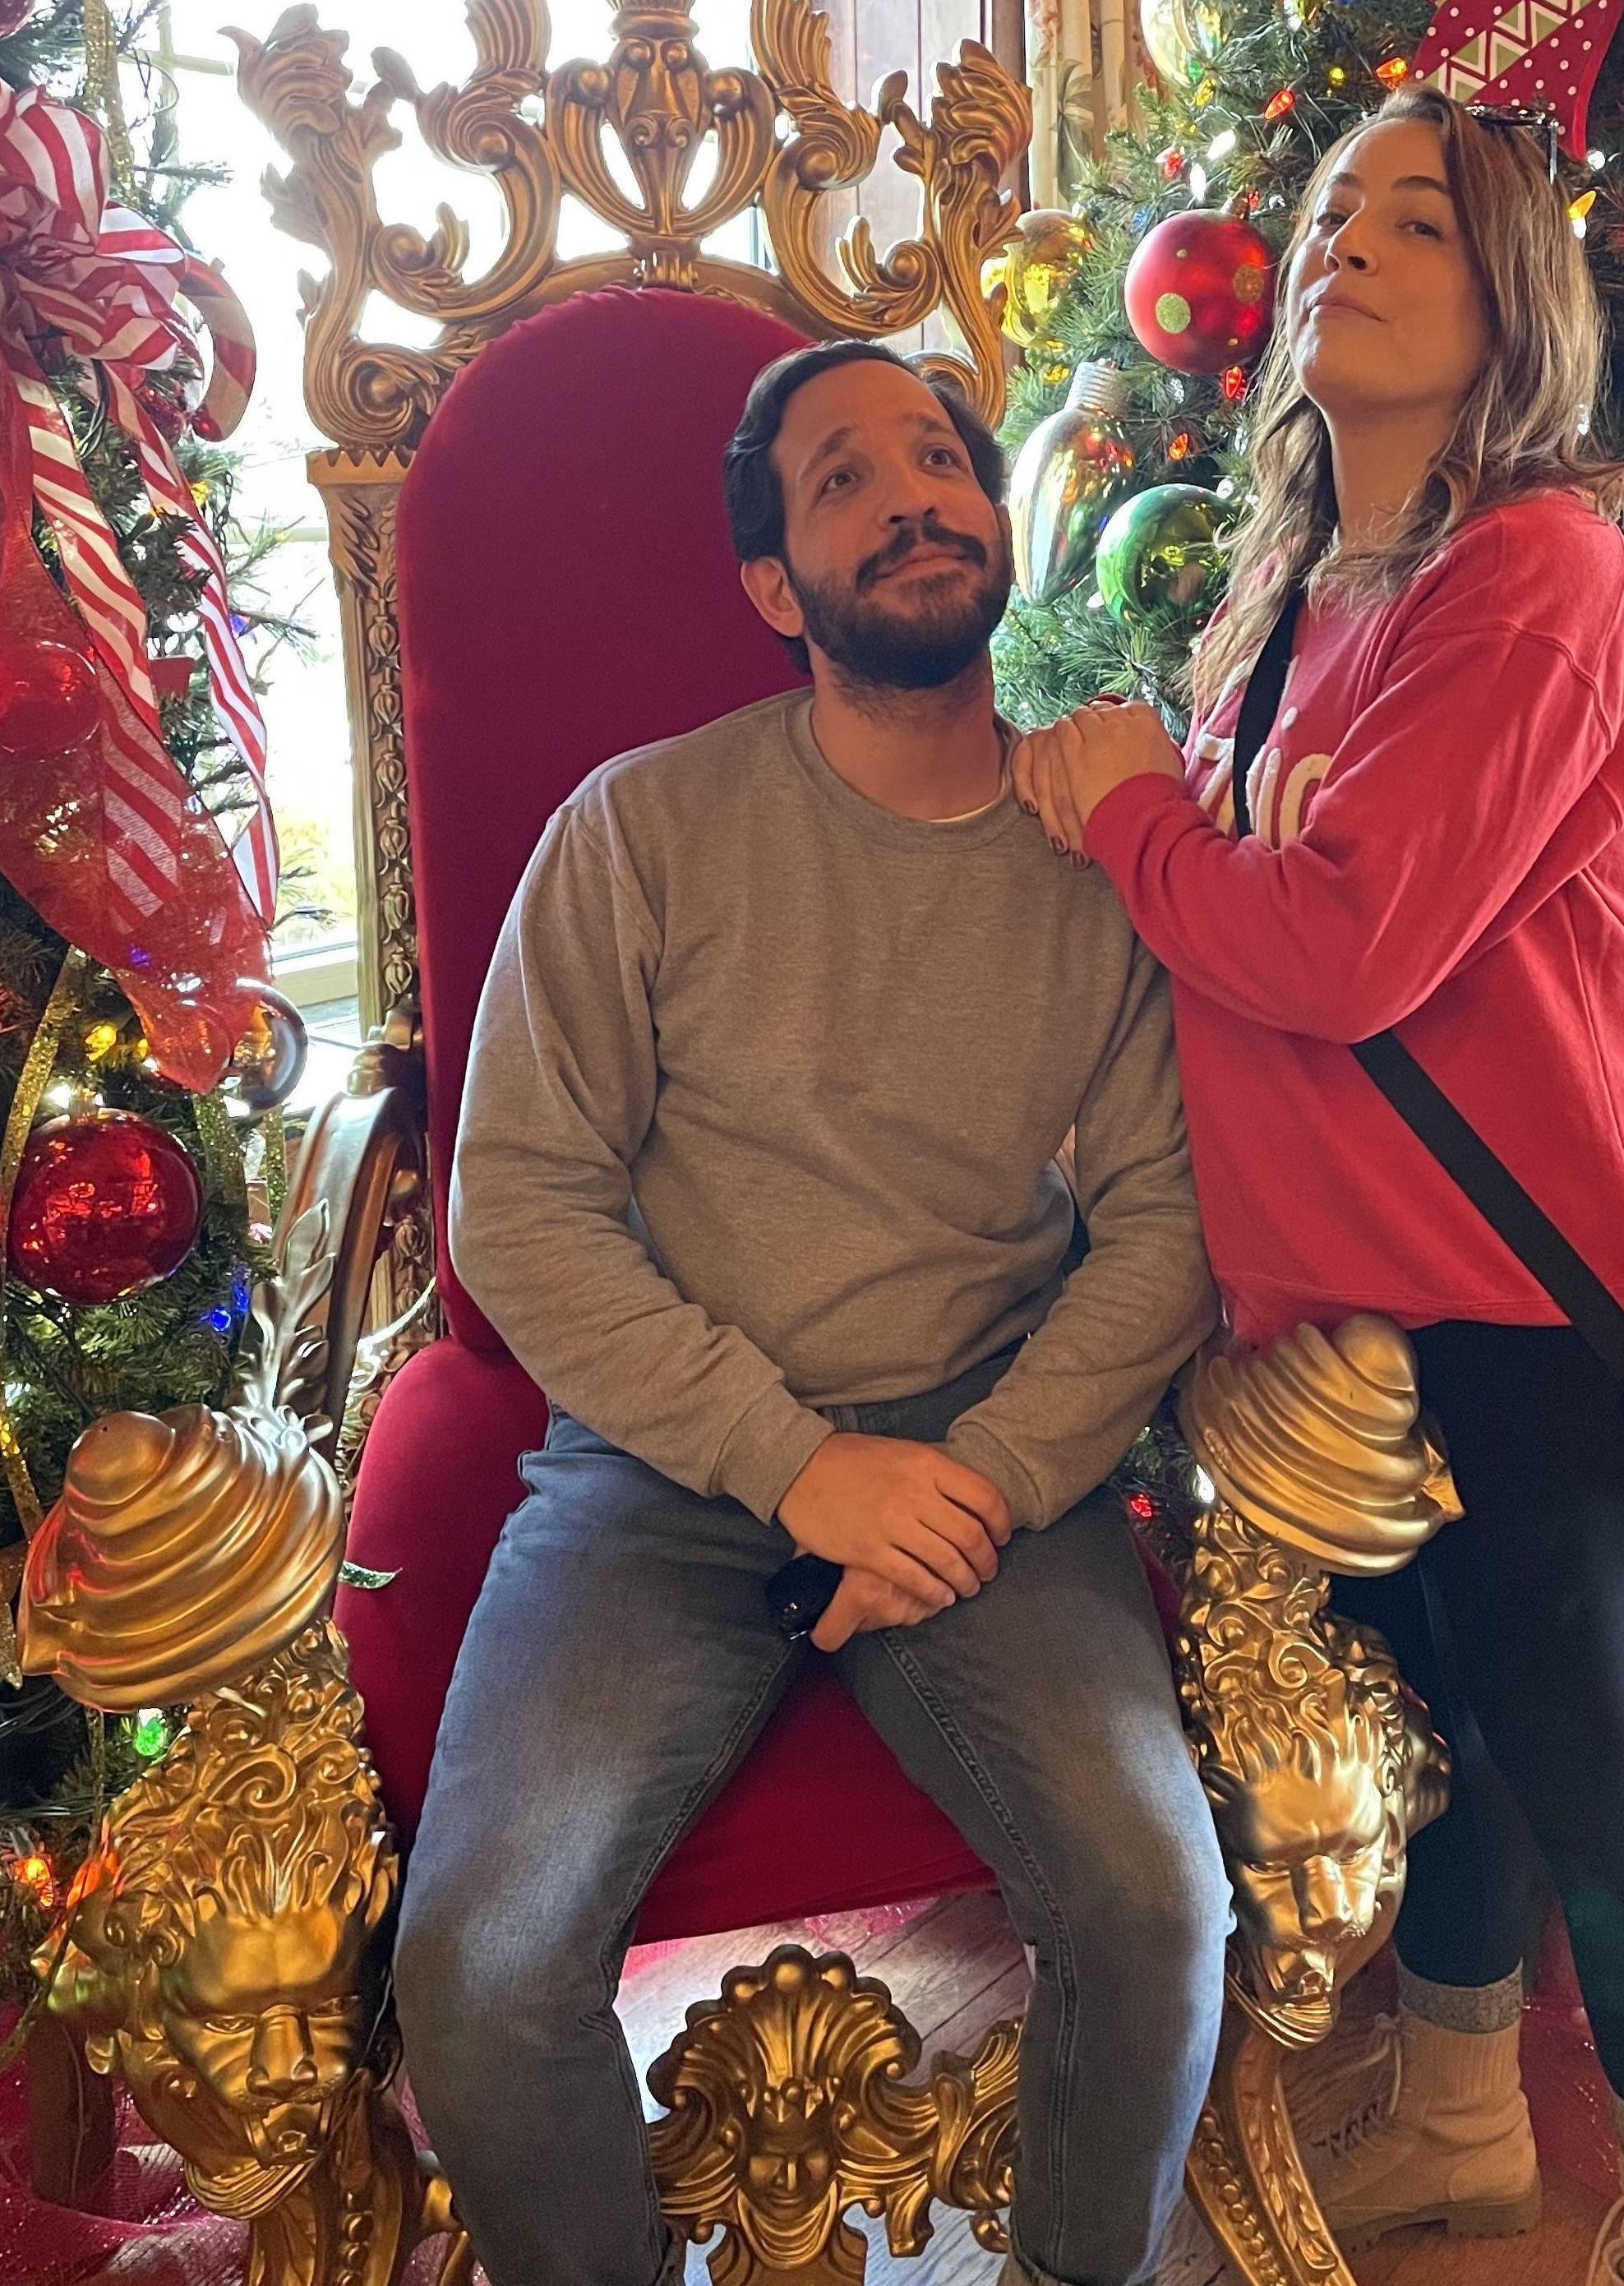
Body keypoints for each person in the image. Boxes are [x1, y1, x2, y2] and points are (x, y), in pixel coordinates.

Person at [1013, 86, 1624, 2286]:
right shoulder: (1289, 581)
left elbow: (1336, 945)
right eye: (1334, 208)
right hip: (1339, 1315)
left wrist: (1132, 810)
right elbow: (1219, 933)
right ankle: (1457, 2127)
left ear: (1509, 299)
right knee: (1459, 1751)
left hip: (1534, 1310)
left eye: (1415, 221)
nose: (1345, 242)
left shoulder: (1534, 571)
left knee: (1600, 1784)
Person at [397, 339, 1230, 2286]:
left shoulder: (1102, 855)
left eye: (937, 459)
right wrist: (794, 1465)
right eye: (845, 479)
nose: (911, 496)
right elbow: (515, 1206)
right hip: (663, 1461)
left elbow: (1164, 1228)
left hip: (979, 1460)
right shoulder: (639, 831)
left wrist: (985, 1473)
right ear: (775, 587)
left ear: (994, 519)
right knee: (482, 1967)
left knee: (1156, 1911)